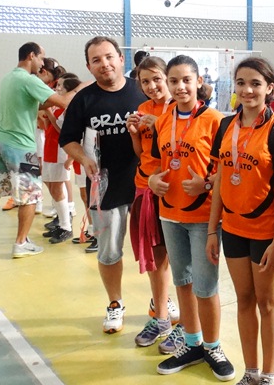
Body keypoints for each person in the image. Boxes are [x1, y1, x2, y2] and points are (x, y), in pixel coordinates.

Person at [148, 55, 235, 381]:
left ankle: (212, 346)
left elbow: (225, 169)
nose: (180, 87)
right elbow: (155, 162)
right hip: (169, 214)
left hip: (203, 217)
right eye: (174, 81)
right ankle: (192, 342)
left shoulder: (216, 121)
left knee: (205, 285)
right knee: (182, 281)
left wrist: (206, 184)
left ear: (199, 81)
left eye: (187, 80)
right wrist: (153, 180)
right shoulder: (162, 120)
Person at [206, 57, 274, 385]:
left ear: (269, 87)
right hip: (233, 230)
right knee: (243, 300)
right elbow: (222, 179)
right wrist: (213, 228)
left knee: (267, 303)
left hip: (265, 232)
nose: (247, 90)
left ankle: (269, 376)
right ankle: (250, 373)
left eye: (255, 83)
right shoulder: (226, 126)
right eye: (241, 83)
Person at [59, 36, 148, 334]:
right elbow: (68, 139)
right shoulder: (83, 100)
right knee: (109, 252)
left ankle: (161, 301)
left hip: (145, 184)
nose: (104, 64)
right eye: (96, 60)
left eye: (109, 57)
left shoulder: (141, 91)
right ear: (89, 66)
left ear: (121, 59)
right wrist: (83, 159)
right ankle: (115, 303)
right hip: (105, 186)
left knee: (156, 249)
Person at [0, 42, 68, 257]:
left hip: (0, 142)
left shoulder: (9, 78)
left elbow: (31, 104)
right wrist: (81, 89)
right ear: (31, 55)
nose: (42, 64)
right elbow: (62, 101)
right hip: (20, 147)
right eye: (41, 58)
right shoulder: (29, 80)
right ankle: (21, 243)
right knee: (30, 195)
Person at [125, 56, 180, 348]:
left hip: (172, 191)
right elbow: (142, 151)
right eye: (145, 81)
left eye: (157, 79)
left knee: (180, 260)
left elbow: (180, 146)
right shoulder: (143, 109)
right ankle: (161, 317)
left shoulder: (179, 109)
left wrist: (159, 124)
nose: (151, 86)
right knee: (155, 259)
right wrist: (134, 133)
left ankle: (189, 326)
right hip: (144, 186)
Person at [39, 73, 80, 244]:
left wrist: (49, 113)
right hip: (49, 148)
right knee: (50, 185)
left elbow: (61, 130)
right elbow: (48, 126)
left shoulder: (68, 108)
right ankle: (61, 220)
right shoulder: (56, 106)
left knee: (57, 187)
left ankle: (66, 226)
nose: (57, 89)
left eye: (60, 86)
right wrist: (45, 115)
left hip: (60, 151)